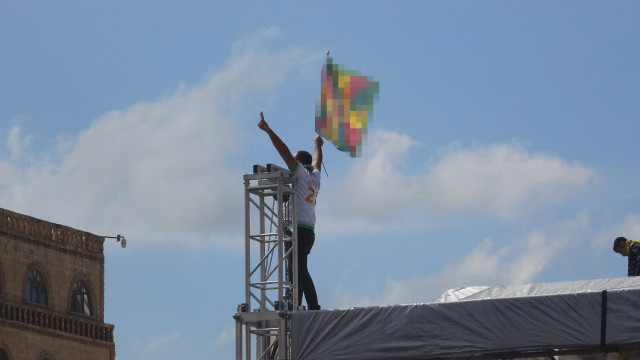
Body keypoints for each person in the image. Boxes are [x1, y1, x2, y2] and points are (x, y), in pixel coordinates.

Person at [258, 112, 323, 310]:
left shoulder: (302, 174)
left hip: (297, 229)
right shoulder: (316, 175)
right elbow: (317, 160)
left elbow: (284, 151)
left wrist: (269, 131)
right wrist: (317, 146)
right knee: (295, 271)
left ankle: (313, 307)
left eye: (294, 163)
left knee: (298, 270)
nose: (290, 168)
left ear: (301, 164)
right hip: (307, 230)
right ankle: (298, 306)